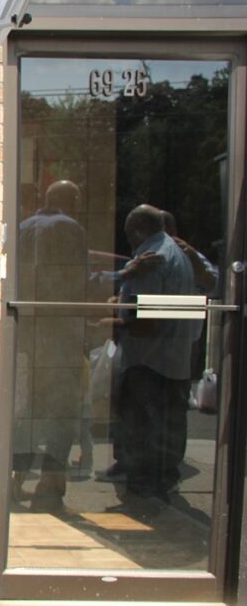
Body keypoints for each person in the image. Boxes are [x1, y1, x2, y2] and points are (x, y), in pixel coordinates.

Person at [104, 204, 196, 502]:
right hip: (172, 355)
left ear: (135, 229)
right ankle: (162, 479)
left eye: (128, 232)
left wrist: (114, 322)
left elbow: (146, 317)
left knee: (142, 422)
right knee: (169, 421)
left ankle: (145, 485)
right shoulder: (176, 253)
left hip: (147, 358)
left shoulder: (152, 257)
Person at [11, 180, 87, 510]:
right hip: (59, 331)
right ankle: (50, 484)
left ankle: (15, 480)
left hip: (27, 330)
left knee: (29, 410)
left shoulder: (24, 227)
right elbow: (75, 282)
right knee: (60, 409)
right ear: (70, 200)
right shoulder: (69, 228)